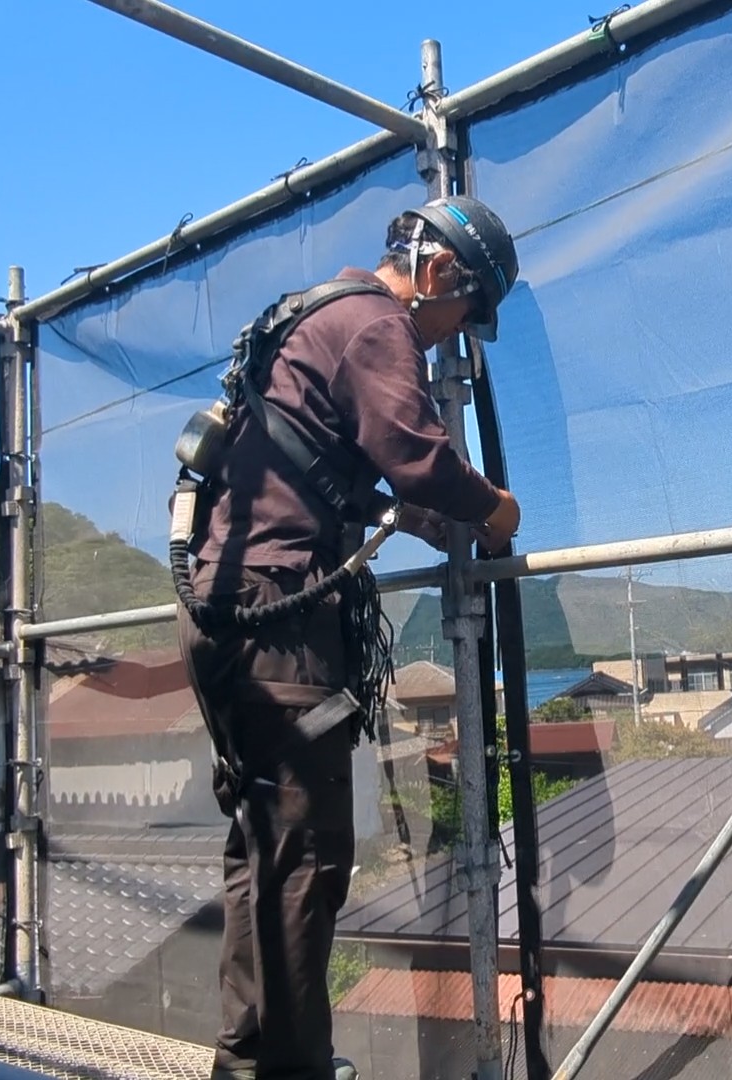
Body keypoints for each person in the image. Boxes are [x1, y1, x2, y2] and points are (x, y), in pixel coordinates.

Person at [175, 195, 522, 1080]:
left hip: (223, 608)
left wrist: (382, 512)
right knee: (307, 860)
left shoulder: (310, 315)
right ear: (441, 271)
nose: (451, 339)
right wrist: (492, 509)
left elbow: (301, 457)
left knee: (261, 848)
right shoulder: (376, 325)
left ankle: (247, 1059)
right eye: (464, 315)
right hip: (281, 618)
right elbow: (417, 452)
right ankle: (291, 1070)